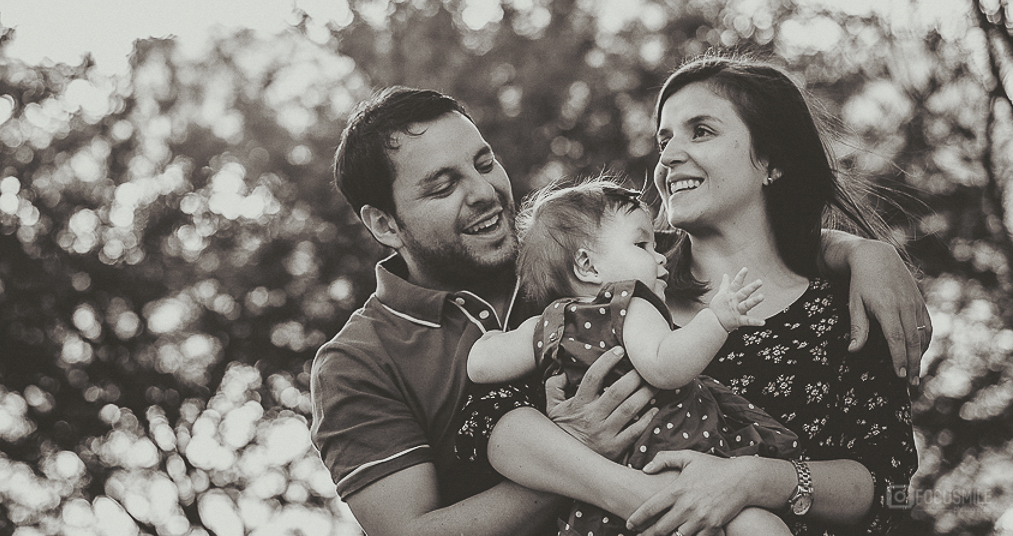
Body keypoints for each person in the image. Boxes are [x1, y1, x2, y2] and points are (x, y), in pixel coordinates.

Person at [309, 84, 929, 536]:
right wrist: (583, 458)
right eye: (443, 186)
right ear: (383, 224)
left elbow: (739, 247)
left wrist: (864, 251)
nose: (483, 193)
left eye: (484, 162)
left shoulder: (574, 265)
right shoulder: (359, 362)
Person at [466, 56, 919, 536]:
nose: (668, 157)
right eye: (664, 140)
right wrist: (579, 451)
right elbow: (484, 421)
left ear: (772, 160)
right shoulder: (597, 279)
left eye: (700, 132)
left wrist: (752, 480)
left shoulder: (844, 308)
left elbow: (887, 484)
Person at [465, 178, 798, 536]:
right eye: (642, 245)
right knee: (761, 526)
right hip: (671, 462)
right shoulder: (631, 303)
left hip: (605, 497)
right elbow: (666, 366)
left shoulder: (547, 324)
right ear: (587, 265)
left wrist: (494, 336)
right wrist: (716, 321)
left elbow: (480, 366)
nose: (660, 256)